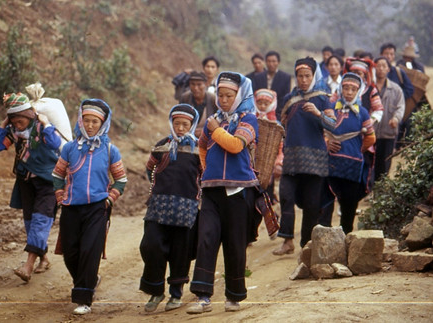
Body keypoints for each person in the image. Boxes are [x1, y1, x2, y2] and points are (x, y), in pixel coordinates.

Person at [188, 71, 258, 314]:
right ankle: (203, 296)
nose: (224, 99)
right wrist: (208, 170)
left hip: (238, 192)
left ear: (239, 95)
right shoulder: (214, 119)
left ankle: (234, 296)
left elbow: (237, 145)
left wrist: (216, 129)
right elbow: (203, 145)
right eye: (220, 94)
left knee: (235, 243)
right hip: (211, 190)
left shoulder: (249, 119)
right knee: (206, 239)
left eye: (229, 95)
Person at [52, 99, 127, 315]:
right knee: (70, 253)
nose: (90, 125)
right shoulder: (68, 148)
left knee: (89, 251)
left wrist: (109, 199)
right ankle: (89, 280)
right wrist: (60, 196)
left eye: (95, 121)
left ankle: (84, 299)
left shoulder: (111, 150)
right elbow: (58, 175)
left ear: (103, 123)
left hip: (97, 208)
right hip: (71, 207)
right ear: (80, 121)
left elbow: (121, 180)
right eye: (86, 120)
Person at [0, 92, 61, 282]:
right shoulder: (14, 132)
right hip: (26, 182)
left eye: (20, 120)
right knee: (30, 222)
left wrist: (46, 124)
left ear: (29, 116)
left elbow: (55, 144)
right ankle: (43, 258)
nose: (17, 125)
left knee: (40, 221)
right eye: (14, 121)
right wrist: (4, 124)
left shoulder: (41, 129)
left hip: (48, 182)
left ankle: (28, 265)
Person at [139, 104, 201, 313]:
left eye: (186, 124)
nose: (181, 128)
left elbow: (204, 175)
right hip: (159, 206)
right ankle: (156, 291)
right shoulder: (161, 145)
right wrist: (156, 187)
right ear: (171, 124)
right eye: (177, 123)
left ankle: (176, 293)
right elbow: (150, 169)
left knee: (180, 250)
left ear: (192, 125)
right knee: (151, 245)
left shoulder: (198, 149)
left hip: (186, 208)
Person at [273, 57, 335, 254]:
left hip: (315, 160)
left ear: (314, 76)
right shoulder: (289, 99)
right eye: (300, 76)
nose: (303, 80)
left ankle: (306, 244)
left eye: (307, 76)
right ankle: (287, 239)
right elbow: (281, 124)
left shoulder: (322, 97)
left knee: (311, 203)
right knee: (285, 195)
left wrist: (318, 113)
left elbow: (333, 125)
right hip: (291, 157)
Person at [305, 73, 376, 233]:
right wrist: (327, 144)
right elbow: (320, 131)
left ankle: (346, 237)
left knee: (349, 204)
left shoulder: (363, 113)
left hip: (352, 166)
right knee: (326, 200)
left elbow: (371, 138)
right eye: (346, 88)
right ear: (340, 89)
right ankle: (323, 237)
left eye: (353, 89)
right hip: (330, 164)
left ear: (358, 91)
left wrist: (360, 149)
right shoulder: (331, 108)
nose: (349, 92)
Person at [373, 57, 405, 181]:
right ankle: (370, 190)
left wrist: (396, 119)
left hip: (388, 134)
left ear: (388, 69)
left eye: (383, 66)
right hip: (371, 134)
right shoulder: (369, 87)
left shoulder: (396, 89)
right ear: (374, 68)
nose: (380, 69)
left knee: (384, 165)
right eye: (378, 65)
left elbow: (401, 107)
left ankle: (380, 192)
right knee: (371, 164)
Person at [179, 71, 218, 137]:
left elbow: (218, 121)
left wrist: (205, 130)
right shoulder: (185, 98)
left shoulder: (213, 99)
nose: (195, 88)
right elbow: (180, 119)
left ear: (206, 84)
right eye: (193, 84)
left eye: (199, 84)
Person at [264, 51, 292, 120]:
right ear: (265, 62)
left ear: (278, 62)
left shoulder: (285, 77)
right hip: (260, 112)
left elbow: (285, 97)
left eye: (274, 61)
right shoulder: (259, 77)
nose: (271, 64)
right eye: (269, 61)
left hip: (278, 114)